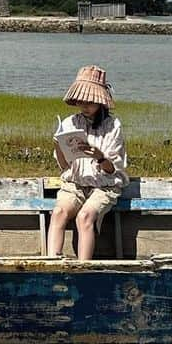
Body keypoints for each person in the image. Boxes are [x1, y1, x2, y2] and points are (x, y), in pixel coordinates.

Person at [48, 64, 128, 261]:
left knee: (85, 217)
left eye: (89, 101)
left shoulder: (113, 126)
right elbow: (64, 165)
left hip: (104, 186)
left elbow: (111, 171)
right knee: (58, 212)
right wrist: (59, 145)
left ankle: (83, 267)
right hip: (75, 183)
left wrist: (100, 157)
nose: (84, 105)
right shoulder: (69, 123)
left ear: (100, 102)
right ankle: (51, 261)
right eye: (81, 101)